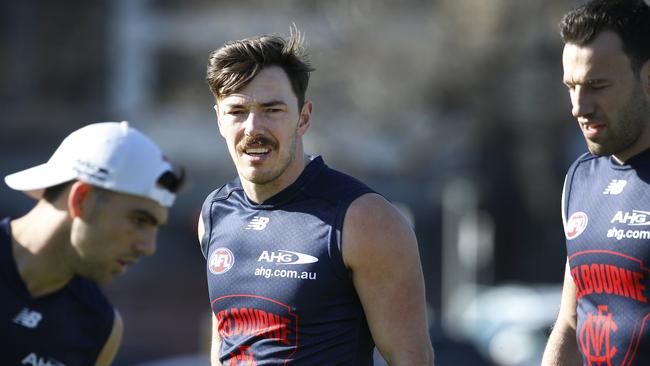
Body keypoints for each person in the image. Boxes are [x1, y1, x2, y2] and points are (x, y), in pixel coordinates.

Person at [198, 27, 434, 365]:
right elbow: (225, 341)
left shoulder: (363, 218)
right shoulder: (214, 212)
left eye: (272, 110)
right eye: (237, 111)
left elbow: (411, 357)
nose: (253, 127)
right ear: (219, 120)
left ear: (303, 118)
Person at [1, 121, 183, 365]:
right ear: (81, 199)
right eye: (139, 220)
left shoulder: (101, 326)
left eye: (156, 228)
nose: (148, 247)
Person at [541, 0, 650, 365]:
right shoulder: (580, 180)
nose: (578, 106)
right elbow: (571, 324)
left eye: (596, 85)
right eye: (571, 87)